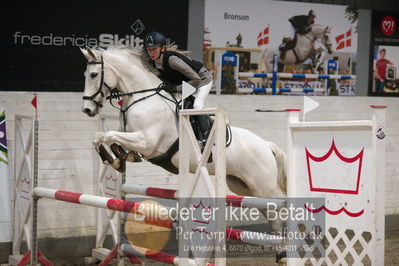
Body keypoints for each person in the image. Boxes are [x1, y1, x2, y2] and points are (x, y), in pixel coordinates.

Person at [143, 31, 213, 144]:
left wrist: (175, 89)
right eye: (149, 49)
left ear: (162, 48)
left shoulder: (172, 60)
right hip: (187, 83)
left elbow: (196, 80)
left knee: (197, 105)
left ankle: (207, 139)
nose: (151, 52)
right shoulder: (153, 63)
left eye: (154, 49)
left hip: (203, 80)